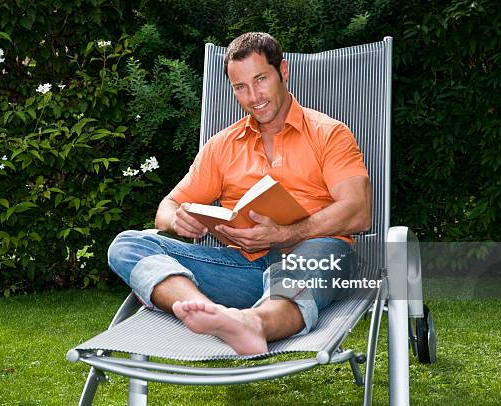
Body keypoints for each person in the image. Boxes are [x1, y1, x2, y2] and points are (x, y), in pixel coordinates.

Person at [108, 32, 372, 355]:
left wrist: (287, 233)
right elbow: (168, 206)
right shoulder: (223, 146)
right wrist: (178, 221)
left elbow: (359, 211)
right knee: (127, 245)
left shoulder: (329, 134)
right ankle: (211, 314)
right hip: (242, 268)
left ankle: (252, 324)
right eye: (240, 87)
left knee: (305, 263)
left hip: (314, 253)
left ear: (283, 71)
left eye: (260, 80)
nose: (253, 96)